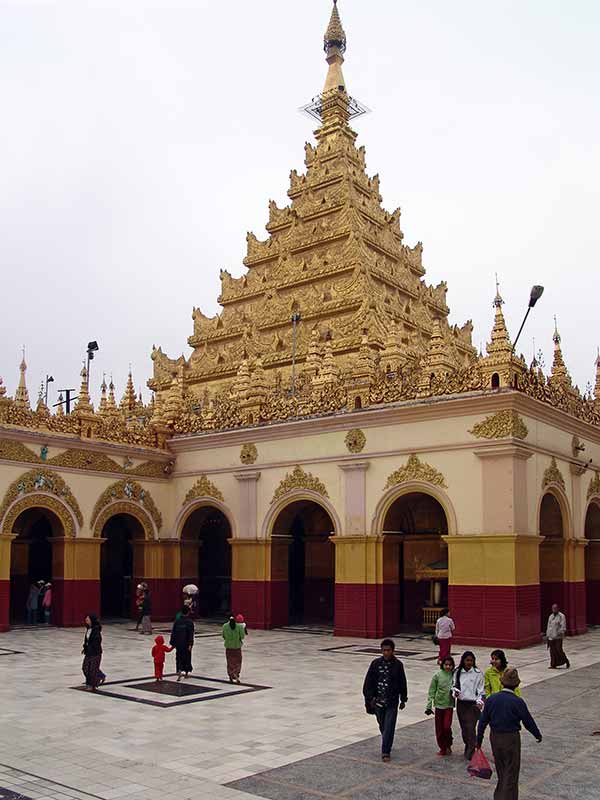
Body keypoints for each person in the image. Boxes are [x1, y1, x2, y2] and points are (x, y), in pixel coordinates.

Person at [477, 668, 542, 800]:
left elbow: (483, 721)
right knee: (511, 772)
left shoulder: (492, 700)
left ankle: (499, 796)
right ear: (516, 684)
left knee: (501, 770)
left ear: (502, 683)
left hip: (495, 737)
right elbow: (528, 721)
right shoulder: (518, 701)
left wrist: (478, 740)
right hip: (511, 738)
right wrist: (537, 734)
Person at [362, 638, 408, 762]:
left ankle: (385, 751)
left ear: (393, 651)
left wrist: (403, 698)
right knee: (382, 725)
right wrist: (369, 698)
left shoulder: (398, 665)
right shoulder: (375, 664)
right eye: (384, 650)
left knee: (389, 726)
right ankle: (386, 740)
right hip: (377, 701)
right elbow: (368, 682)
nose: (386, 653)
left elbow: (402, 682)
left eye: (388, 650)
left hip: (392, 701)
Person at [452, 650, 484, 761]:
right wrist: (455, 692)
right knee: (464, 728)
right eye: (467, 660)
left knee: (470, 727)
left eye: (471, 660)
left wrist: (480, 703)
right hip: (461, 703)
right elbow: (454, 685)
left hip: (473, 704)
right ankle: (468, 745)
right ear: (463, 661)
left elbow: (481, 690)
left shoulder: (478, 673)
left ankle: (472, 749)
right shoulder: (457, 671)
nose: (469, 662)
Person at [425, 656, 455, 756]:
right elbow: (432, 690)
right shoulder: (437, 675)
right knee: (439, 729)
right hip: (439, 705)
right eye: (446, 664)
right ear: (442, 665)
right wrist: (429, 705)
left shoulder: (454, 675)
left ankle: (448, 743)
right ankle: (442, 747)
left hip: (449, 705)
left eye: (450, 665)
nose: (448, 667)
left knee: (446, 727)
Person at [170, 606, 194, 681]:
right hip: (186, 643)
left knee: (179, 656)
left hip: (178, 643)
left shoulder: (177, 621)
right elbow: (191, 634)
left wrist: (172, 642)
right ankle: (186, 673)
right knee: (187, 657)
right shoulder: (190, 622)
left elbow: (173, 632)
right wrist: (190, 643)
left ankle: (179, 671)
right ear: (188, 612)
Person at [82, 614, 105, 691]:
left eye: (88, 618)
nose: (86, 619)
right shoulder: (88, 629)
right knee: (85, 668)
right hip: (88, 652)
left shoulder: (96, 630)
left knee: (92, 669)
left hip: (95, 652)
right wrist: (85, 648)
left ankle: (92, 685)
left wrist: (91, 648)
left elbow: (97, 641)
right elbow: (87, 640)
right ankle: (99, 676)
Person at [222, 615, 245, 683]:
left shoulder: (225, 626)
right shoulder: (239, 626)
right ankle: (236, 673)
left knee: (230, 661)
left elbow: (223, 636)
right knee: (238, 661)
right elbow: (242, 636)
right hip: (237, 646)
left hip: (228, 646)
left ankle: (230, 675)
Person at [546, 603, 570, 669]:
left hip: (558, 637)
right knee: (552, 651)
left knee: (559, 649)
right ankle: (553, 664)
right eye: (553, 608)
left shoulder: (561, 616)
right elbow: (548, 626)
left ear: (558, 609)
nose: (554, 610)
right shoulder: (551, 616)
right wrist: (547, 635)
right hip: (551, 637)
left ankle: (565, 660)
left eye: (555, 608)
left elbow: (563, 626)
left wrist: (559, 632)